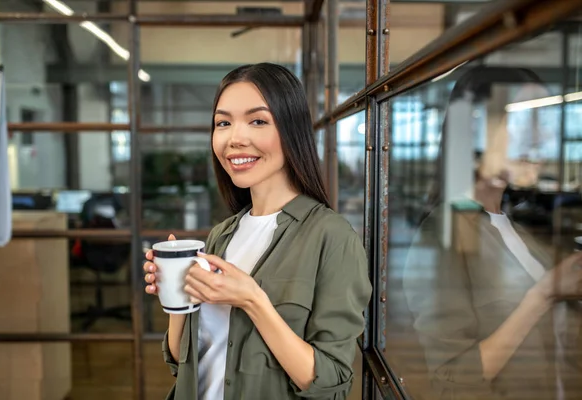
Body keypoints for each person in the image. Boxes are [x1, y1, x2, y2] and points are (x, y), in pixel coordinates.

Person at [142, 63, 372, 400]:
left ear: (291, 130)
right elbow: (181, 361)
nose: (235, 139)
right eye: (223, 123)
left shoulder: (331, 238)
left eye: (258, 121)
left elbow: (331, 382)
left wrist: (253, 301)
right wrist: (178, 297)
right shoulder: (221, 235)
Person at [402, 66, 582, 400]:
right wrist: (542, 295)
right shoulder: (444, 234)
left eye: (543, 122)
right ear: (476, 130)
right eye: (527, 121)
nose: (542, 139)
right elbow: (451, 379)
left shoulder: (510, 223)